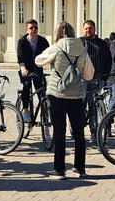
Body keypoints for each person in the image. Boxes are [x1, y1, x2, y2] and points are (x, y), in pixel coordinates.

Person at [35, 21, 94, 180]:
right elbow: (89, 75)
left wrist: (54, 63)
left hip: (57, 94)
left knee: (59, 132)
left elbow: (38, 60)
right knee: (79, 132)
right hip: (77, 95)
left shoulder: (56, 47)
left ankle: (59, 170)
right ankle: (80, 168)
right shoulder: (82, 48)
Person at [80, 20, 111, 136]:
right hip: (82, 79)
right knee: (80, 105)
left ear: (95, 29)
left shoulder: (102, 44)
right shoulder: (79, 42)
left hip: (97, 78)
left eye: (90, 28)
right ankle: (76, 129)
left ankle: (94, 132)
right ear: (83, 29)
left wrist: (104, 78)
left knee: (93, 106)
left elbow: (108, 61)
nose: (88, 30)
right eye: (86, 28)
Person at [16, 19, 49, 122]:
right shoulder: (22, 42)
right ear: (27, 29)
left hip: (38, 71)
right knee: (26, 86)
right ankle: (25, 110)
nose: (33, 30)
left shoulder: (43, 41)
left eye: (35, 28)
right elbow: (20, 57)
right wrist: (23, 69)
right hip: (26, 70)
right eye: (31, 28)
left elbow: (49, 54)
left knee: (42, 91)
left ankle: (45, 113)